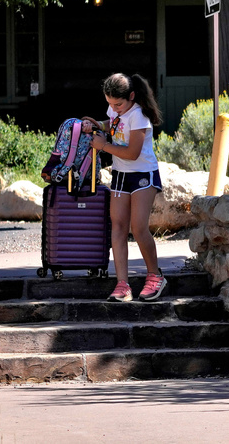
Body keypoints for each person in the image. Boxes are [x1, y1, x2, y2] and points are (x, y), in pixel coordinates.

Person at [82, 73, 166, 302]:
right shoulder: (116, 109)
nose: (114, 108)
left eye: (118, 104)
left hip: (142, 175)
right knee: (118, 227)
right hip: (120, 175)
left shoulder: (139, 115)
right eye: (109, 104)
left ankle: (155, 276)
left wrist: (104, 145)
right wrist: (99, 125)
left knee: (138, 228)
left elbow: (132, 153)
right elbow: (113, 124)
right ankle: (122, 284)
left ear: (131, 96)